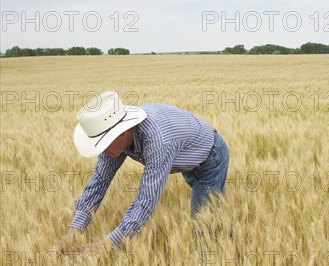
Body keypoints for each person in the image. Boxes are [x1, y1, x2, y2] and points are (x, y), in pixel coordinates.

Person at [57, 91, 229, 254]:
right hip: (187, 155)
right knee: (211, 207)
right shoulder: (116, 142)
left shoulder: (158, 140)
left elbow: (146, 200)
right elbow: (99, 182)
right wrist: (74, 231)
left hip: (211, 156)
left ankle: (224, 250)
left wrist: (105, 246)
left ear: (122, 133)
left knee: (203, 221)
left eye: (103, 144)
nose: (101, 151)